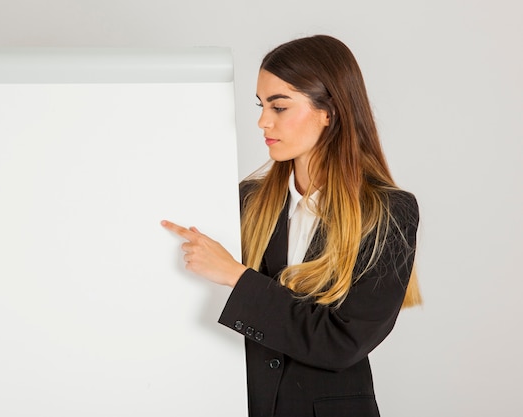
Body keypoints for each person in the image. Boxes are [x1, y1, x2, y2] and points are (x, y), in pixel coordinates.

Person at [161, 34, 420, 417]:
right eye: (261, 105)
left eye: (279, 106)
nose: (263, 120)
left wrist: (236, 275)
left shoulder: (387, 211)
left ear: (329, 112)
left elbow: (342, 343)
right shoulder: (245, 200)